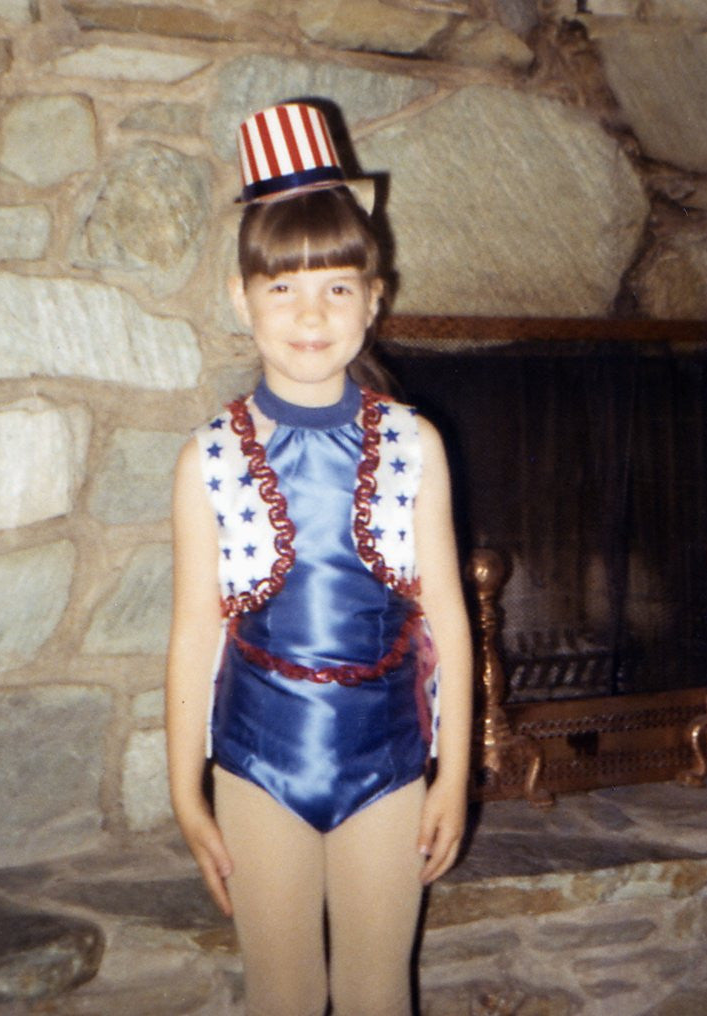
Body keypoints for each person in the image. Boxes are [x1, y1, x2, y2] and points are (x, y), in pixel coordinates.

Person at [165, 102, 472, 1016]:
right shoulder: (208, 458)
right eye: (284, 288)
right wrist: (187, 795)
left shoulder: (415, 445)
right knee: (284, 994)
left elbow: (448, 616)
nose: (310, 314)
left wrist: (454, 772)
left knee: (381, 993)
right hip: (259, 760)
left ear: (374, 300)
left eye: (337, 287)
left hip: (387, 757)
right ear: (241, 298)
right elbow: (193, 636)